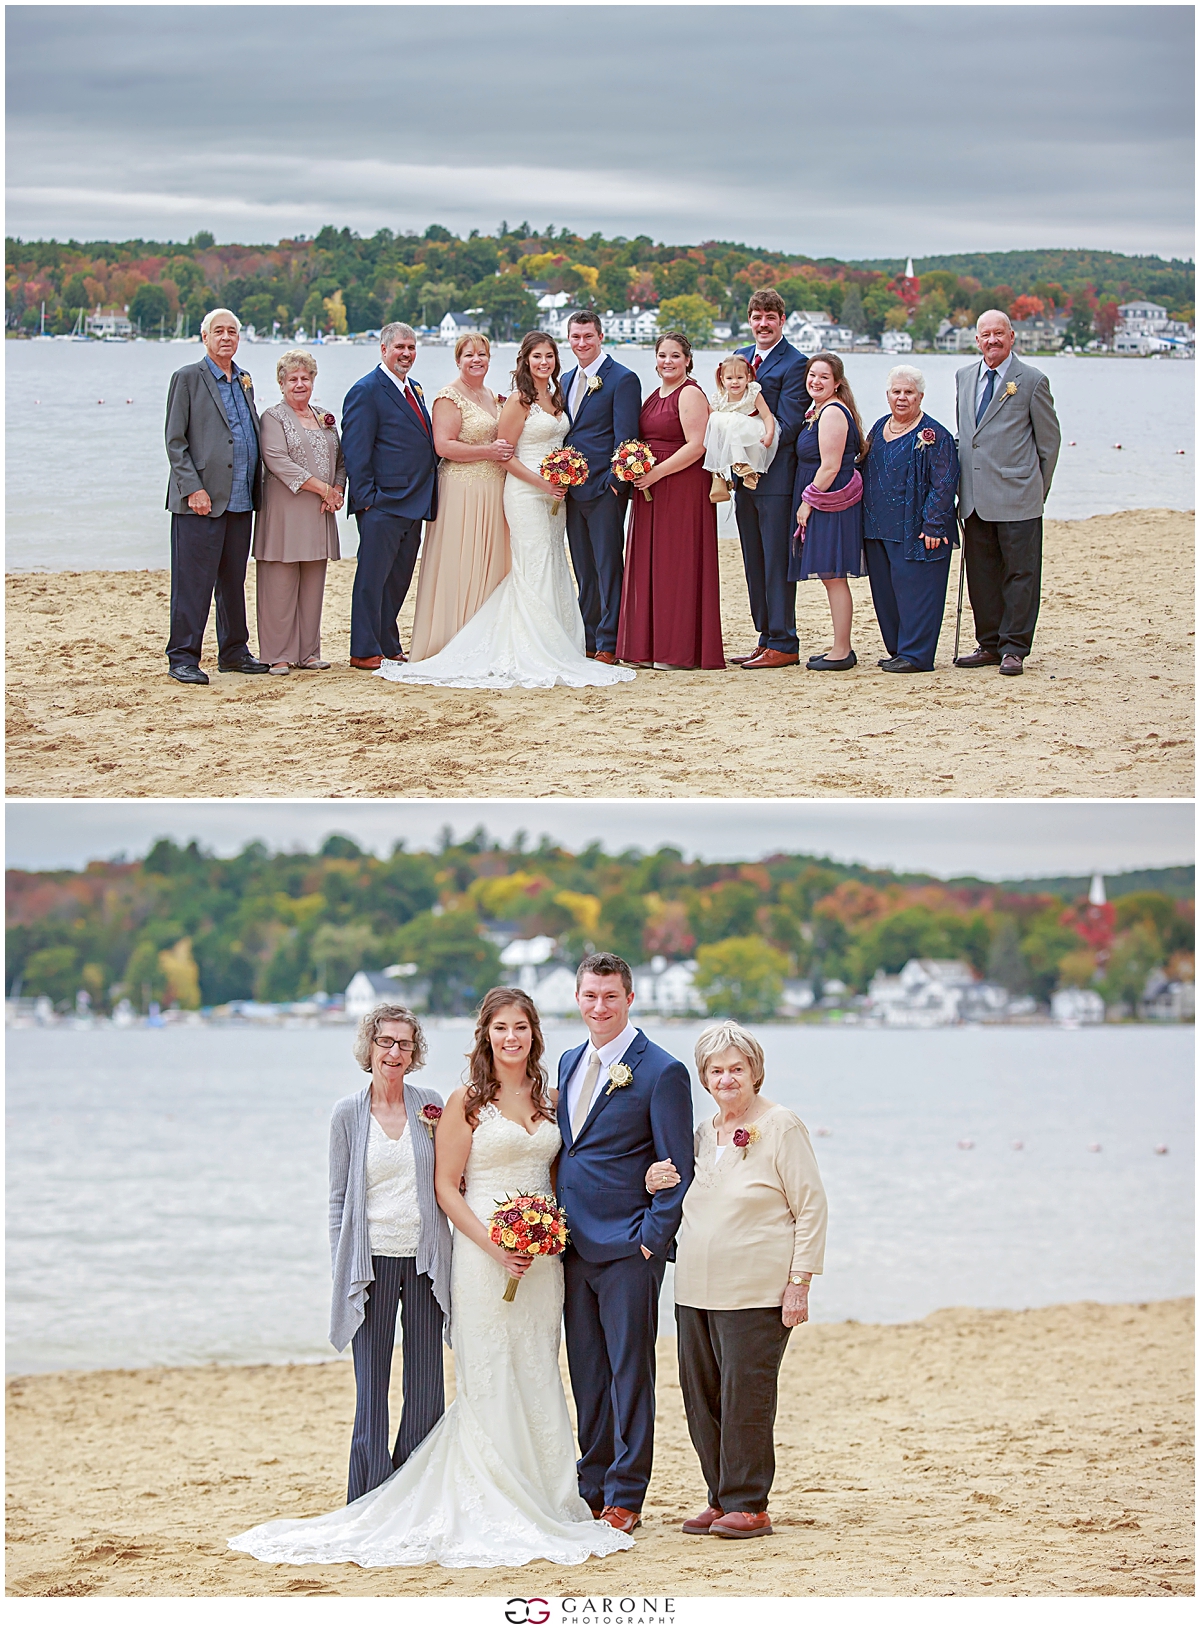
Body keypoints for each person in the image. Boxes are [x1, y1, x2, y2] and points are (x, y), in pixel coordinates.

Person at [230, 988, 634, 1569]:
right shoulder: (462, 1102)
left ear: (534, 1034)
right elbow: (445, 1188)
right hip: (474, 1251)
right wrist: (496, 1242)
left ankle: (547, 1493)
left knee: (535, 1366)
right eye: (500, 1027)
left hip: (538, 1261)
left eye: (521, 1027)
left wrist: (574, 1216)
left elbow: (571, 1169)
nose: (511, 1037)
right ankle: (402, 1493)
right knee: (473, 1372)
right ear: (485, 1036)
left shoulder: (548, 1099)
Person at [645, 1021, 827, 1541]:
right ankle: (719, 1497)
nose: (727, 1079)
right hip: (694, 1290)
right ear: (704, 1078)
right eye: (716, 1070)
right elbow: (677, 1194)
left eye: (736, 1069)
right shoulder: (702, 1134)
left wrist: (800, 1282)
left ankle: (750, 1503)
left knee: (746, 1396)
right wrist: (651, 1179)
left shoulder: (782, 1125)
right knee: (702, 1398)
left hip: (756, 1289)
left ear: (755, 1072)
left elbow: (811, 1207)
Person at [378, 332, 634, 691]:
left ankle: (560, 642)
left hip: (554, 496)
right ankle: (535, 645)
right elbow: (505, 455)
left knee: (553, 562)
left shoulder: (556, 395)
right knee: (533, 563)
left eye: (549, 356)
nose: (543, 362)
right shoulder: (519, 400)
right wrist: (542, 483)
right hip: (526, 492)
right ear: (525, 361)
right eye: (536, 357)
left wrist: (562, 476)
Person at [556, 953, 696, 1533]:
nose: (599, 1007)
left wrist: (650, 1241)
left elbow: (678, 1168)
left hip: (628, 1252)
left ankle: (626, 1495)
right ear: (578, 998)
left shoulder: (661, 1071)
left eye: (610, 996)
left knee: (630, 1373)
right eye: (590, 995)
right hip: (570, 1247)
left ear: (629, 998)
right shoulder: (566, 1061)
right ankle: (591, 1485)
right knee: (587, 1371)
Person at [328, 1005, 451, 1503]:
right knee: (371, 1392)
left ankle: (413, 1495)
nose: (394, 1052)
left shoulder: (432, 1107)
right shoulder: (347, 1115)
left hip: (424, 1264)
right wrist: (341, 1266)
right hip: (370, 1265)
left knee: (425, 1391)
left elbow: (452, 1178)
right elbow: (338, 1200)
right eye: (385, 1042)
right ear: (369, 1048)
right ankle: (367, 1498)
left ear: (415, 1051)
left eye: (404, 1043)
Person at [163, 307, 269, 684]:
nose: (226, 337)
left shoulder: (244, 380)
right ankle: (183, 657)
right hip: (201, 501)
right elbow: (175, 442)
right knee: (193, 582)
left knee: (232, 580)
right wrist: (193, 488)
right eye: (218, 331)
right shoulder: (188, 378)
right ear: (204, 337)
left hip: (240, 498)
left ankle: (234, 652)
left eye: (232, 331)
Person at [954, 309, 1062, 677]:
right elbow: (968, 436)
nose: (992, 340)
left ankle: (1014, 647)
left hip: (1019, 497)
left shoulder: (1032, 380)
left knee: (1020, 574)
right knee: (981, 574)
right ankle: (988, 643)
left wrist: (1036, 489)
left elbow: (1049, 443)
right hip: (974, 499)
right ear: (977, 339)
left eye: (999, 333)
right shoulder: (964, 377)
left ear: (1012, 337)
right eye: (986, 334)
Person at [615, 331, 725, 671]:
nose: (667, 361)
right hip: (651, 487)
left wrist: (657, 473)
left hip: (681, 486)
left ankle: (676, 650)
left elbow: (697, 446)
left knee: (676, 565)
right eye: (662, 355)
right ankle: (648, 646)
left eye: (675, 356)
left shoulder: (689, 393)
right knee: (654, 564)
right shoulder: (656, 393)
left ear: (688, 360)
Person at [407, 332, 513, 662]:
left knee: (491, 562)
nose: (476, 359)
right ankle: (451, 638)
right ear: (458, 360)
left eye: (482, 353)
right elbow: (444, 446)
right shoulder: (448, 398)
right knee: (462, 559)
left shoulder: (494, 398)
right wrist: (489, 451)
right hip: (462, 490)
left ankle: (487, 638)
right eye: (469, 355)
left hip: (495, 490)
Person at [341, 322, 438, 670]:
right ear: (383, 350)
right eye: (400, 347)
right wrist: (368, 500)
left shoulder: (415, 389)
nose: (406, 354)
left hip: (414, 502)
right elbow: (355, 450)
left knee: (397, 579)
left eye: (411, 348)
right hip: (382, 504)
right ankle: (363, 649)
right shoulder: (366, 390)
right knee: (372, 578)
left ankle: (388, 642)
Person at [730, 289, 811, 670]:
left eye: (770, 317)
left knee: (777, 560)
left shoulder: (796, 363)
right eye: (757, 316)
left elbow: (791, 422)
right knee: (753, 560)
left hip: (776, 477)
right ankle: (764, 636)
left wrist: (750, 440)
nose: (763, 323)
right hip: (743, 477)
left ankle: (784, 640)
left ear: (782, 321)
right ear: (750, 319)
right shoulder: (741, 358)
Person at [861, 365, 960, 673]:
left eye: (908, 393)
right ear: (887, 396)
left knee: (917, 592)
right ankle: (898, 650)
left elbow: (945, 483)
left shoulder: (934, 435)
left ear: (920, 397)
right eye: (896, 392)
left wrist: (934, 524)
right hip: (877, 526)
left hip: (916, 530)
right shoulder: (878, 428)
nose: (902, 398)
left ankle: (917, 655)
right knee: (887, 593)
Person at [252, 349, 344, 675]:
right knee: (279, 583)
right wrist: (323, 489)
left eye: (306, 378)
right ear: (281, 383)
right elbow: (277, 460)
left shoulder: (323, 417)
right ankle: (277, 654)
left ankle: (308, 652)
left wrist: (338, 492)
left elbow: (341, 460)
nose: (300, 384)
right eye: (293, 379)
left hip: (320, 511)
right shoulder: (272, 418)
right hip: (285, 511)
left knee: (313, 584)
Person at [559, 309, 642, 662]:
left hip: (603, 490)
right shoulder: (564, 379)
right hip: (571, 489)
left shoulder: (622, 378)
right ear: (569, 339)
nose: (582, 343)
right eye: (576, 337)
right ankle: (589, 637)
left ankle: (610, 641)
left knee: (608, 565)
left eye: (588, 336)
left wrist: (613, 484)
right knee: (583, 566)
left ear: (600, 336)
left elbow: (626, 438)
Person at [791, 352, 866, 673]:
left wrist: (807, 502)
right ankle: (839, 645)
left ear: (837, 383)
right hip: (821, 496)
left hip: (829, 500)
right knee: (829, 576)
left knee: (834, 575)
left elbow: (831, 465)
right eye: (812, 375)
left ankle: (842, 649)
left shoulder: (833, 412)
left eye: (823, 377)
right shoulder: (817, 410)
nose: (816, 381)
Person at [704, 353, 777, 501]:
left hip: (753, 429)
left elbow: (767, 415)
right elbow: (711, 422)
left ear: (748, 377)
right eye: (729, 378)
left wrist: (769, 434)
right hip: (734, 439)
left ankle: (752, 471)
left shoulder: (753, 393)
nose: (735, 382)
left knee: (734, 421)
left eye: (740, 378)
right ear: (722, 379)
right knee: (717, 417)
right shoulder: (719, 398)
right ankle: (742, 466)